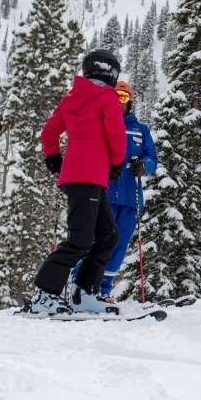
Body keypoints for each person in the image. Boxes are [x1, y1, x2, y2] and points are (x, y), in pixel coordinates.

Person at [28, 49, 127, 315]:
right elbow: (117, 136)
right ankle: (44, 295)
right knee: (81, 240)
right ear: (112, 74)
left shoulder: (72, 97)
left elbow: (49, 132)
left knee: (108, 236)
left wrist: (53, 157)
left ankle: (84, 294)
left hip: (81, 177)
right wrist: (117, 163)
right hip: (90, 176)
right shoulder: (107, 98)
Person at [97, 80, 157, 299]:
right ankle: (83, 284)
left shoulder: (141, 130)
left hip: (131, 197)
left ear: (130, 102)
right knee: (100, 242)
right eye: (114, 98)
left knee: (120, 244)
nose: (118, 103)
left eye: (123, 98)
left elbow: (152, 157)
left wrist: (144, 166)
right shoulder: (102, 124)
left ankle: (104, 290)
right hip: (105, 194)